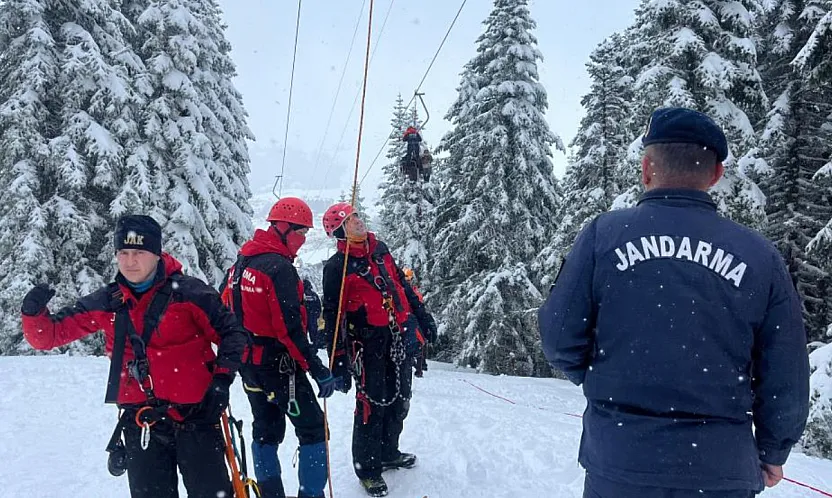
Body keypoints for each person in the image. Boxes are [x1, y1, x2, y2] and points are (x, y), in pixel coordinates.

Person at [538, 107, 810, 498]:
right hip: (720, 469)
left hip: (621, 462)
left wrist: (609, 381)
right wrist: (774, 448)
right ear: (716, 175)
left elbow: (559, 337)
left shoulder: (604, 236)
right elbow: (785, 367)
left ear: (648, 168)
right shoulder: (758, 256)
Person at [20, 214, 248, 498]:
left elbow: (234, 335)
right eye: (123, 253)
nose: (130, 261)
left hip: (198, 417)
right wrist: (32, 314)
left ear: (156, 254)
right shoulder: (109, 301)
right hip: (142, 423)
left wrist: (221, 381)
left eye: (139, 252)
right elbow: (49, 336)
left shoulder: (190, 294)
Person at [221, 197, 346, 498]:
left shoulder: (242, 263)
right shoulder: (278, 268)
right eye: (300, 233)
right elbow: (289, 330)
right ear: (282, 228)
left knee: (266, 431)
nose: (302, 241)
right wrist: (318, 370)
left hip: (250, 367)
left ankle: (270, 494)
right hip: (280, 367)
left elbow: (226, 309)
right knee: (314, 430)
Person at [320, 202, 437, 497]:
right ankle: (368, 468)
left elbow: (400, 285)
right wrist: (338, 361)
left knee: (400, 398)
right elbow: (332, 314)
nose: (357, 222)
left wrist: (422, 318)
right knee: (372, 404)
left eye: (356, 216)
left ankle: (389, 452)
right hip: (367, 342)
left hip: (396, 337)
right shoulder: (338, 267)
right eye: (349, 220)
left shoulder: (380, 249)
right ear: (339, 232)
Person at [402, 268, 428, 377]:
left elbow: (419, 304)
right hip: (406, 318)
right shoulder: (407, 290)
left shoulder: (414, 291)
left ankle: (420, 367)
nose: (407, 281)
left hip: (411, 318)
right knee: (420, 340)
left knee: (421, 341)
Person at [303, 278, 324, 350]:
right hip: (313, 315)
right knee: (313, 330)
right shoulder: (314, 295)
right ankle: (315, 343)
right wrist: (318, 314)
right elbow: (318, 306)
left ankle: (305, 344)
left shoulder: (302, 295)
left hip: (305, 315)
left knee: (304, 330)